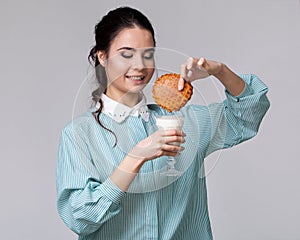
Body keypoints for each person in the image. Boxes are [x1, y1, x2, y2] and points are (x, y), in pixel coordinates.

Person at [56, 6, 270, 240]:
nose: (140, 66)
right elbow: (80, 218)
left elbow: (247, 114)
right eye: (126, 54)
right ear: (102, 56)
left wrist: (219, 71)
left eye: (147, 54)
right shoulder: (80, 134)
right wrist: (136, 157)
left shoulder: (187, 122)